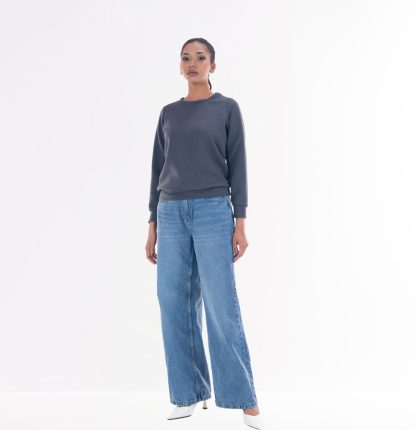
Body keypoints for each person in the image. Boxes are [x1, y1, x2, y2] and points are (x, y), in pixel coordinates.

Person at [145, 37, 263, 429]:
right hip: (170, 212)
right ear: (179, 66)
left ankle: (244, 398)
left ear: (213, 65)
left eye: (200, 57)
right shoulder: (169, 113)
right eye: (186, 58)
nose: (192, 63)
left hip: (214, 210)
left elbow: (238, 164)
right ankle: (188, 393)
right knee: (172, 302)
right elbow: (157, 168)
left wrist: (240, 220)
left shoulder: (226, 108)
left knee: (220, 304)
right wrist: (152, 224)